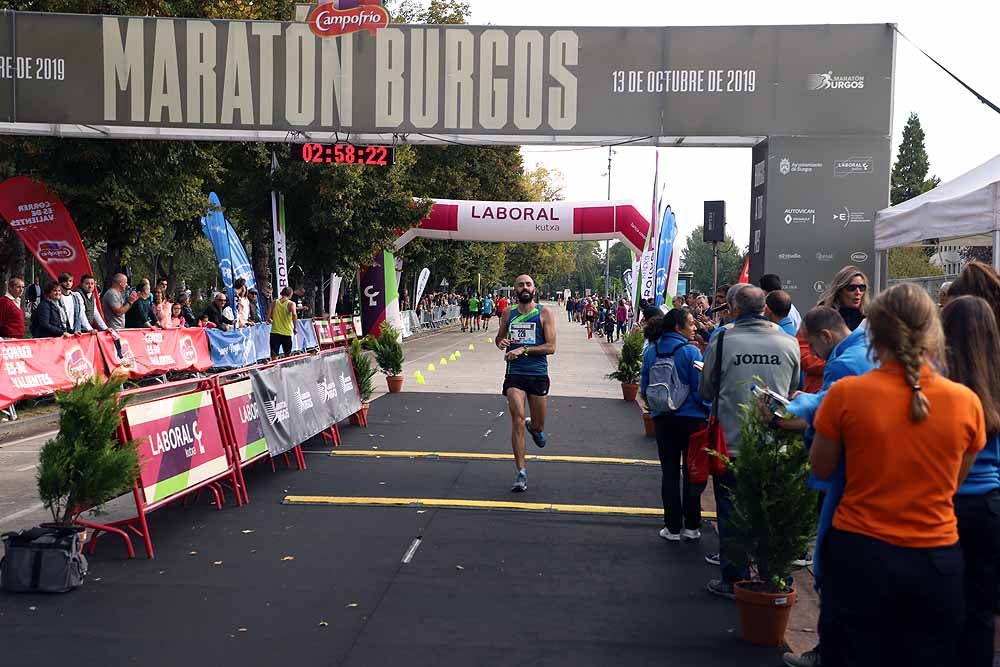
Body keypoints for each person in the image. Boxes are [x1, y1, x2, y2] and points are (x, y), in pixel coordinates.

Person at [811, 283, 985, 667]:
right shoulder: (967, 402)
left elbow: (821, 468)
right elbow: (954, 483)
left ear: (875, 330)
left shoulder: (845, 395)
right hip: (935, 561)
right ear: (933, 330)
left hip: (860, 555)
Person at [776, 306, 875, 667]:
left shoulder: (842, 366)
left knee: (833, 569)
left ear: (827, 336)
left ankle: (828, 652)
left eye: (813, 346)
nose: (813, 356)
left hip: (847, 482)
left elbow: (829, 426)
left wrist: (795, 414)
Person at [699, 284, 801, 599]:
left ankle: (734, 578)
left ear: (733, 308)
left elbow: (707, 389)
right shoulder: (788, 341)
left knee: (730, 510)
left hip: (730, 441)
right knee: (772, 510)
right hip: (775, 441)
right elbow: (793, 388)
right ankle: (775, 577)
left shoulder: (723, 338)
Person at [942, 295, 1000, 667]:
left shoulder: (940, 384)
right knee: (981, 611)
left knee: (940, 608)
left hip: (946, 504)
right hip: (992, 505)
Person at [641, 307, 708, 542]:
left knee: (669, 473)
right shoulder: (691, 352)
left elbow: (644, 387)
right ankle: (692, 526)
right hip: (692, 421)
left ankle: (671, 527)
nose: (695, 327)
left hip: (663, 420)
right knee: (692, 473)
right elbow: (701, 389)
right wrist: (705, 410)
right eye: (691, 324)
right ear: (678, 327)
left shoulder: (652, 351)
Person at [496, 274, 556, 492]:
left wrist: (525, 349)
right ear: (515, 289)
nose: (525, 287)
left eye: (528, 284)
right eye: (520, 284)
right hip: (515, 373)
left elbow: (551, 347)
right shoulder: (508, 313)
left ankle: (535, 427)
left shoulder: (544, 312)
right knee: (517, 419)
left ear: (534, 289)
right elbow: (499, 339)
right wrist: (501, 342)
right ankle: (521, 471)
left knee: (537, 424)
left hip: (538, 374)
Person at [267, 286, 297, 358]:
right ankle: (286, 368)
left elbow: (267, 318)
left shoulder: (274, 302)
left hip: (275, 332)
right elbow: (294, 315)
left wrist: (274, 322)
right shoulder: (291, 304)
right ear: (290, 295)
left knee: (274, 355)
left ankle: (275, 368)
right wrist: (295, 327)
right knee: (287, 355)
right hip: (286, 333)